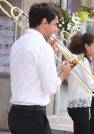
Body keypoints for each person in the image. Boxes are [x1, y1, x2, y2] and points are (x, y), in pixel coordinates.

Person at [8, 3, 71, 134]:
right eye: (54, 24)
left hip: (15, 114)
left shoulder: (17, 44)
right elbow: (51, 87)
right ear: (44, 22)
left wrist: (50, 53)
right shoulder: (43, 47)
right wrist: (63, 75)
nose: (55, 29)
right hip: (33, 116)